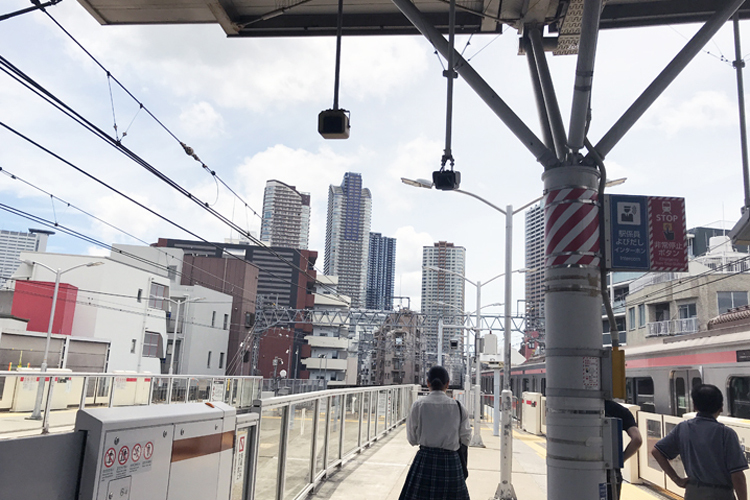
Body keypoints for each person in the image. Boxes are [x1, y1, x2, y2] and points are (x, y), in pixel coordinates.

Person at [651, 384, 748, 500]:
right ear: (721, 407)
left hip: (693, 493)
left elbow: (656, 451)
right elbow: (737, 475)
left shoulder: (683, 428)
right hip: (720, 494)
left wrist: (677, 480)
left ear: (695, 406)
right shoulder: (726, 434)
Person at [399, 366, 472, 500]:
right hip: (451, 463)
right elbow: (466, 438)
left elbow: (412, 440)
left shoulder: (418, 405)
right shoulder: (459, 407)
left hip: (425, 461)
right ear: (447, 384)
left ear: (428, 383)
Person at [604, 400, 643, 500]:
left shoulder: (571, 408)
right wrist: (619, 461)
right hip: (610, 472)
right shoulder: (619, 410)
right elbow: (637, 440)